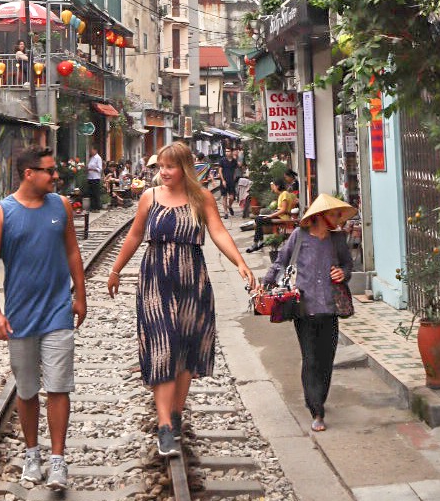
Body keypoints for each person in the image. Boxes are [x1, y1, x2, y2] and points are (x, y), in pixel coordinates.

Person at [106, 142, 256, 457]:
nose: (163, 172)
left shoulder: (202, 198)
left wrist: (240, 263)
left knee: (186, 349)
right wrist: (116, 270)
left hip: (192, 279)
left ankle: (176, 413)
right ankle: (163, 426)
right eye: (161, 167)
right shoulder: (150, 197)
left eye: (170, 167)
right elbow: (134, 235)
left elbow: (218, 232)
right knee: (162, 346)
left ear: (184, 168)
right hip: (156, 278)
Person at [0, 146, 87, 490]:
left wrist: (80, 295)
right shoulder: (2, 213)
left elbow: (72, 250)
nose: (56, 176)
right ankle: (31, 453)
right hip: (20, 316)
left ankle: (58, 460)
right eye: (49, 170)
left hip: (57, 311)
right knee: (26, 391)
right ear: (29, 173)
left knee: (58, 387)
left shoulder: (61, 206)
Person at [261, 194, 357, 432]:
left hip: (330, 308)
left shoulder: (338, 240)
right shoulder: (299, 236)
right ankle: (317, 409)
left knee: (327, 359)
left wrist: (343, 274)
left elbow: (348, 265)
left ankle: (317, 397)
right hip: (303, 307)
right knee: (311, 358)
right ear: (320, 216)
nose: (338, 219)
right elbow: (281, 261)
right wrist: (266, 284)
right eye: (334, 215)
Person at [246, 178, 298, 253]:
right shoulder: (283, 194)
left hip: (282, 217)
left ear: (278, 186)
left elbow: (283, 210)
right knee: (258, 219)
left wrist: (271, 215)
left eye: (274, 186)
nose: (273, 188)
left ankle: (257, 243)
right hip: (280, 216)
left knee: (259, 219)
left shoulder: (284, 194)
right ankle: (259, 242)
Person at [219, 149, 239, 218]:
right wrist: (223, 180)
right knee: (224, 197)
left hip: (231, 181)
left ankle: (229, 206)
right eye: (226, 151)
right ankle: (226, 213)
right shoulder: (222, 160)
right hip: (224, 181)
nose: (227, 153)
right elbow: (220, 171)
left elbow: (235, 170)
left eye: (228, 151)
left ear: (231, 152)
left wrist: (234, 178)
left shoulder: (234, 161)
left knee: (232, 197)